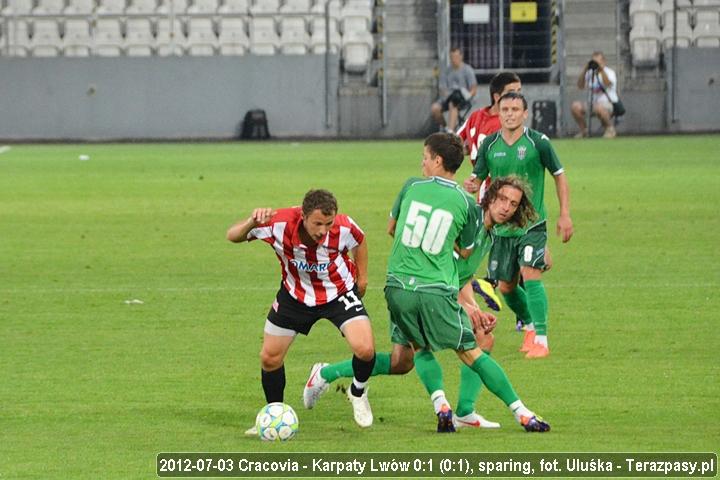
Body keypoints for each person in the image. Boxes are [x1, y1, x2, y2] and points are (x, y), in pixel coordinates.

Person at [304, 136, 550, 433]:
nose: (507, 207)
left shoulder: (482, 230)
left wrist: (470, 305)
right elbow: (451, 263)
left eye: (514, 204)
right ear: (489, 195)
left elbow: (459, 274)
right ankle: (481, 411)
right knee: (476, 344)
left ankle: (326, 373)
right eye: (503, 200)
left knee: (401, 361)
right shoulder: (466, 213)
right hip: (429, 290)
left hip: (405, 286)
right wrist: (465, 305)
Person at [226, 189, 377, 431]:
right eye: (317, 223)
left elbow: (360, 240)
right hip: (295, 296)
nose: (323, 231)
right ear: (303, 215)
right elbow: (232, 236)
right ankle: (273, 415)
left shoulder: (344, 227)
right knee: (270, 358)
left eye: (328, 224)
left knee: (365, 349)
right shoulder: (278, 224)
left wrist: (363, 278)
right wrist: (251, 222)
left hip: (338, 292)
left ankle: (357, 392)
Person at [465, 92, 573, 359]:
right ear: (498, 113)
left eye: (515, 109)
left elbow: (559, 176)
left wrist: (565, 214)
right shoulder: (490, 144)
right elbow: (477, 179)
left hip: (532, 223)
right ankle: (530, 324)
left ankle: (542, 340)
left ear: (526, 114)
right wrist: (471, 185)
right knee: (506, 288)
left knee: (530, 274)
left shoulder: (538, 143)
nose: (510, 113)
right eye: (505, 109)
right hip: (501, 228)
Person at [456, 71, 522, 314]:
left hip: (483, 193)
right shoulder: (505, 125)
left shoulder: (476, 117)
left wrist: (472, 173)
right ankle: (489, 282)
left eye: (519, 91)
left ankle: (485, 285)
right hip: (503, 197)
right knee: (520, 253)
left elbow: (458, 145)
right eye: (512, 91)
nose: (517, 96)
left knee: (487, 245)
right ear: (497, 97)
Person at [570, 51, 619, 139]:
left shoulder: (610, 72)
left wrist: (601, 70)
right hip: (592, 104)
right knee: (575, 106)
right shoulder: (589, 73)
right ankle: (584, 131)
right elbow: (580, 86)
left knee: (599, 107)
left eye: (598, 62)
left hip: (608, 104)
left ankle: (610, 129)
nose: (596, 64)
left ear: (604, 61)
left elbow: (607, 84)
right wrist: (585, 69)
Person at [431, 48, 478, 133]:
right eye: (452, 57)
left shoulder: (468, 70)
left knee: (453, 103)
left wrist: (467, 96)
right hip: (448, 98)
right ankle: (446, 128)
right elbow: (442, 89)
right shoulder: (446, 71)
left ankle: (451, 132)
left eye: (456, 56)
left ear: (461, 56)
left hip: (463, 99)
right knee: (435, 108)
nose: (454, 59)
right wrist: (448, 96)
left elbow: (473, 88)